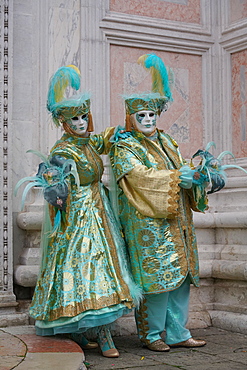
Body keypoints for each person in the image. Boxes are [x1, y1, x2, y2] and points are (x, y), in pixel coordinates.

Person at [15, 65, 141, 358]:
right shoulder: (62, 150)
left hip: (100, 214)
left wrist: (125, 127)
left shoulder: (89, 144)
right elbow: (53, 185)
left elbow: (107, 139)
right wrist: (57, 191)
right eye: (75, 118)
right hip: (75, 219)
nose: (82, 122)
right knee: (84, 269)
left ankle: (93, 332)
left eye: (85, 116)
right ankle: (96, 334)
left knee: (104, 268)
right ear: (64, 122)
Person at [108, 54, 209, 352]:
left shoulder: (167, 141)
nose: (149, 120)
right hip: (148, 225)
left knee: (180, 280)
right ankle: (152, 335)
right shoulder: (124, 145)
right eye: (142, 116)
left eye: (152, 115)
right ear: (131, 118)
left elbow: (180, 167)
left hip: (176, 223)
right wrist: (178, 178)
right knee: (157, 282)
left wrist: (198, 175)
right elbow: (138, 177)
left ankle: (178, 332)